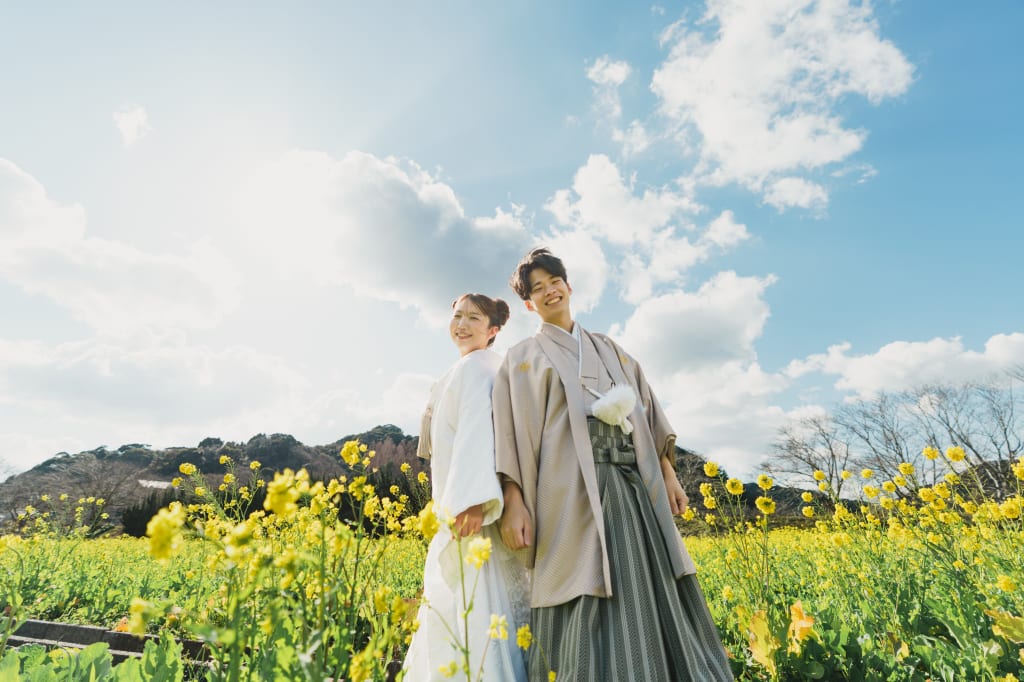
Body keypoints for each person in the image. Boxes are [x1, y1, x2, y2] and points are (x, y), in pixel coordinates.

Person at [494, 248, 733, 682]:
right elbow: (510, 431)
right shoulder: (523, 357)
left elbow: (647, 413)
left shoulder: (611, 350)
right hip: (566, 489)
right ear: (529, 304)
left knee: (646, 578)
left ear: (569, 286)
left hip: (630, 484)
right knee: (575, 576)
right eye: (537, 288)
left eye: (555, 282)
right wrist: (514, 499)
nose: (549, 291)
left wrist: (668, 474)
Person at [404, 293, 529, 682]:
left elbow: (478, 431)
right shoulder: (477, 367)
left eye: (474, 318)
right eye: (457, 315)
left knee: (472, 605)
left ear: (493, 330)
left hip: (468, 508)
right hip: (462, 499)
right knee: (475, 606)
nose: (462, 324)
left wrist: (472, 502)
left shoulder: (476, 368)